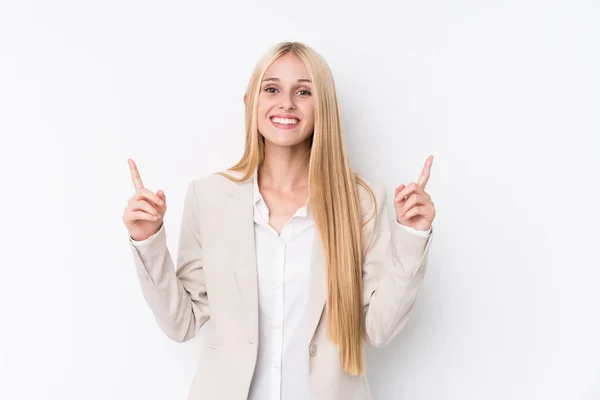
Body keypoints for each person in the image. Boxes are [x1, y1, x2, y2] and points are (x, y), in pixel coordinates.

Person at [123, 41, 436, 400]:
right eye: (271, 89)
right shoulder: (209, 198)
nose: (286, 103)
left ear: (324, 107)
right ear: (250, 102)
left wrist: (413, 236)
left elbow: (379, 329)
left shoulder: (362, 202)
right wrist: (148, 241)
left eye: (303, 91)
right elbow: (182, 323)